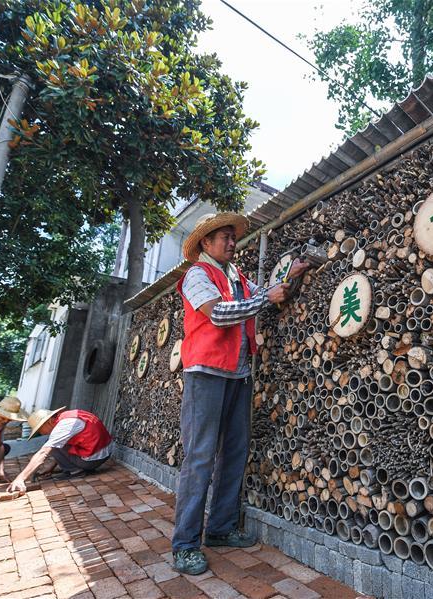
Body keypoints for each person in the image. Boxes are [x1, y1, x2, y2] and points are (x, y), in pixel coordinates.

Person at [171, 212, 310, 575]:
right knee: (199, 457)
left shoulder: (237, 278)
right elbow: (218, 315)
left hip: (237, 373)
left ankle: (219, 528)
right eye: (225, 237)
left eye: (234, 237)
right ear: (206, 242)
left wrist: (289, 276)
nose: (232, 243)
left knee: (234, 451)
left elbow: (263, 295)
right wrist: (267, 298)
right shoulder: (197, 276)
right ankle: (185, 544)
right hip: (206, 373)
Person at [7, 407, 112, 493]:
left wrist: (21, 478)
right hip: (102, 451)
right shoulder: (66, 417)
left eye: (40, 430)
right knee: (53, 443)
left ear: (49, 421)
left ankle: (75, 471)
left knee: (49, 445)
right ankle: (74, 467)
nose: (42, 433)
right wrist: (51, 467)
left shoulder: (63, 426)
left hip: (94, 458)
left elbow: (43, 453)